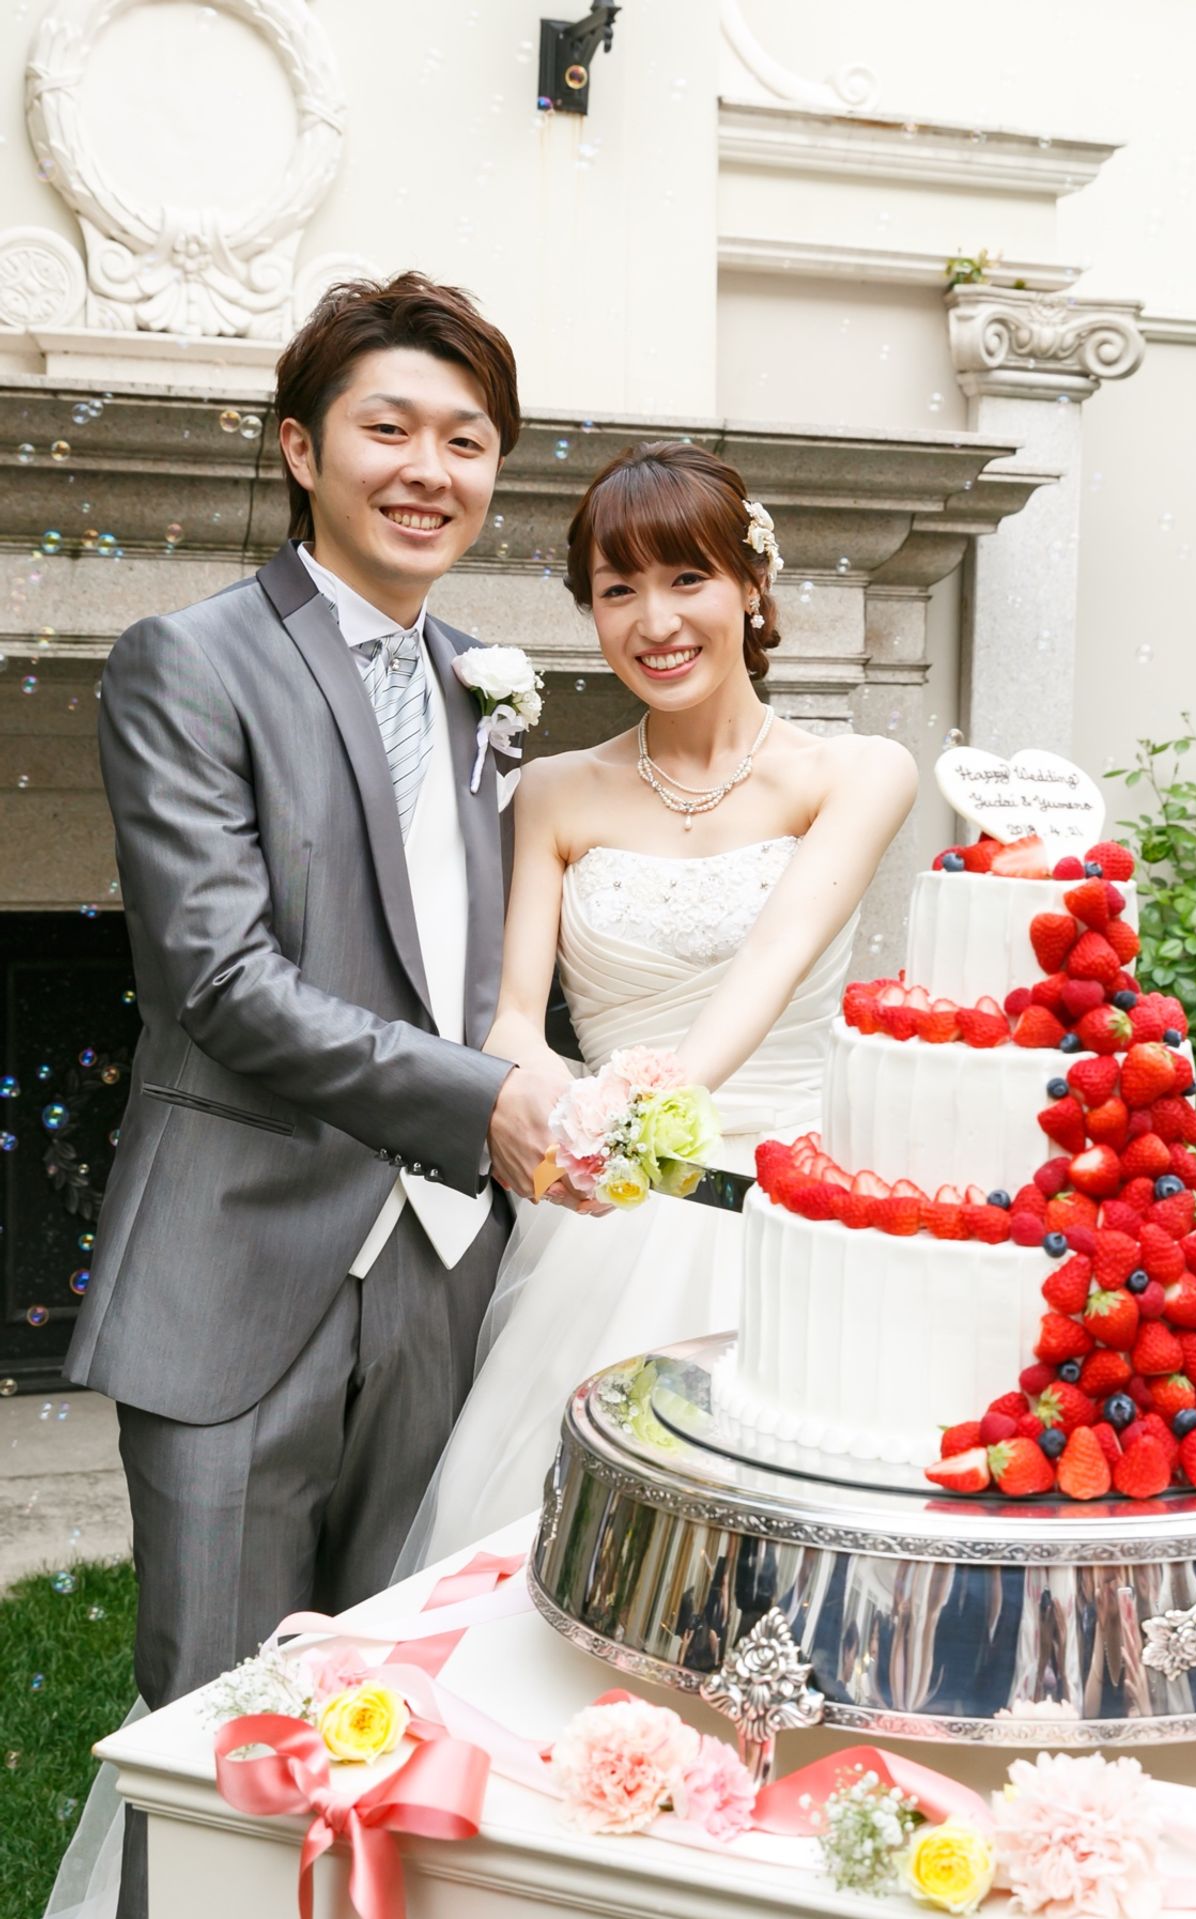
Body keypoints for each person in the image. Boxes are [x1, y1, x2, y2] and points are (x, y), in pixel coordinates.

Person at [53, 272, 578, 1919]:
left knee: (401, 1718)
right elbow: (216, 978)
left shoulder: (487, 682)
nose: (431, 468)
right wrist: (483, 1095)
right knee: (221, 1736)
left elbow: (475, 964)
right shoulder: (188, 661)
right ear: (301, 446)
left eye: (468, 439)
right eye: (389, 428)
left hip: (447, 1272)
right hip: (239, 1261)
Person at [393, 440, 917, 1573]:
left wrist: (645, 1111)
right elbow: (513, 1015)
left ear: (752, 584)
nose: (654, 620)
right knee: (577, 1543)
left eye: (687, 578)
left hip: (796, 1196)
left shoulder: (856, 771)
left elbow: (771, 960)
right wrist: (559, 1114)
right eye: (617, 589)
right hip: (607, 1213)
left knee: (795, 1523)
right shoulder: (551, 789)